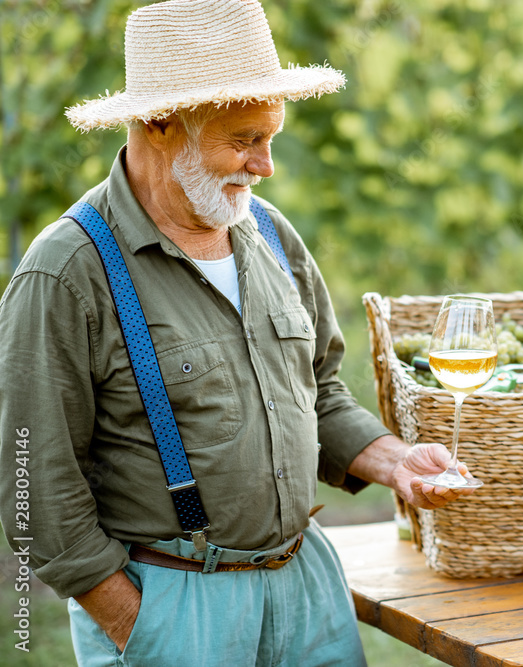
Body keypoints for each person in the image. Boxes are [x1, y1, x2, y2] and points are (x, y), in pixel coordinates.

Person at [0, 1, 474, 665]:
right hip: (173, 602)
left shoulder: (271, 235)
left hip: (307, 587)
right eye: (245, 139)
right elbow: (37, 489)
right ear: (160, 123)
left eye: (271, 137)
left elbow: (321, 392)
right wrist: (137, 620)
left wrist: (397, 461)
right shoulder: (66, 273)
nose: (266, 164)